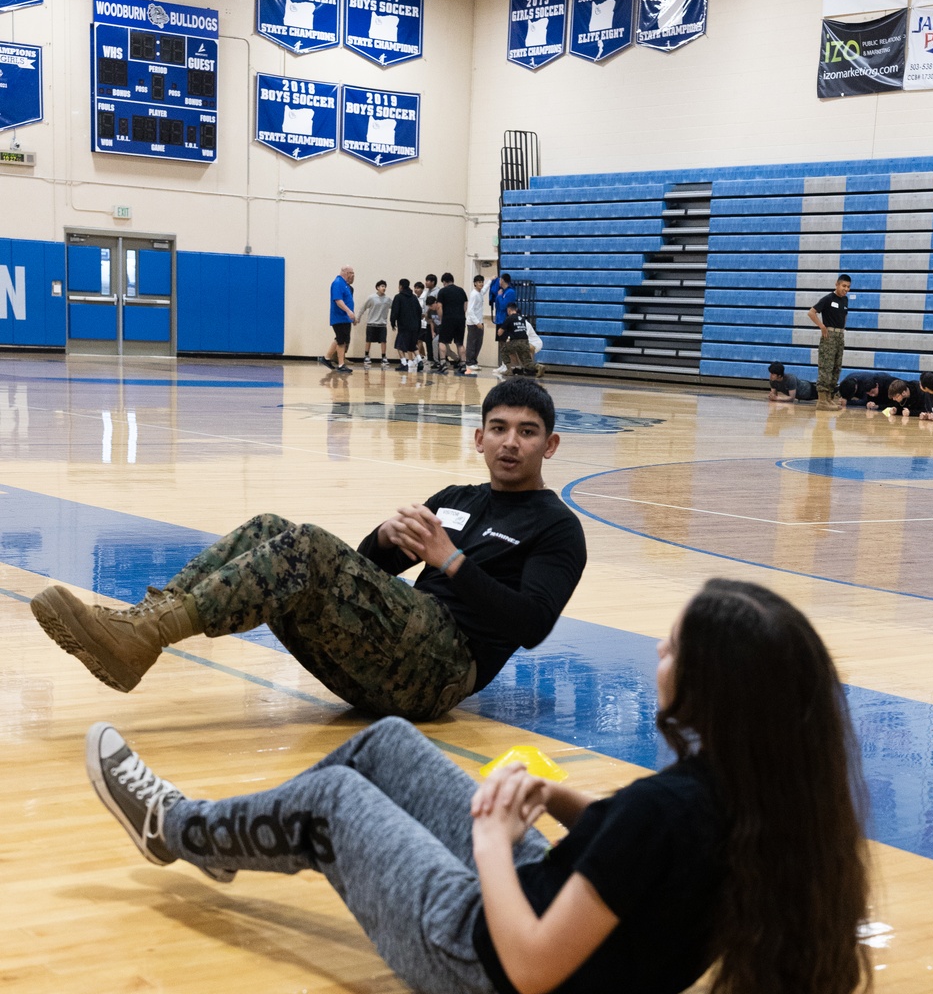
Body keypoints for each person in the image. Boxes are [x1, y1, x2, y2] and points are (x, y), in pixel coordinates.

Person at [84, 577, 872, 994]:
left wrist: (495, 840)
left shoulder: (669, 813)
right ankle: (226, 838)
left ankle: (174, 828)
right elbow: (635, 860)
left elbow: (530, 967)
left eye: (671, 647)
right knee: (387, 742)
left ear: (711, 687)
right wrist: (554, 794)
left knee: (328, 802)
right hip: (560, 943)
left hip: (487, 962)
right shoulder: (766, 801)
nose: (658, 656)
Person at [30, 380, 587, 721]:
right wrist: (384, 540)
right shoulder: (456, 498)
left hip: (441, 670)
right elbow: (367, 573)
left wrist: (451, 562)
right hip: (392, 652)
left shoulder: (557, 528)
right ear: (479, 437)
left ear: (550, 444)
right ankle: (142, 629)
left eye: (527, 431)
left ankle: (142, 638)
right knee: (271, 526)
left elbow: (532, 625)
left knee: (310, 544)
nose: (511, 442)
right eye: (499, 428)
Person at [807, 273, 851, 408]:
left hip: (839, 336)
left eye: (848, 287)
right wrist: (822, 326)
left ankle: (829, 398)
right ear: (837, 284)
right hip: (829, 336)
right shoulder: (828, 298)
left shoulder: (845, 300)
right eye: (844, 286)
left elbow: (844, 316)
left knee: (836, 367)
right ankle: (822, 400)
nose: (846, 289)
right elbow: (811, 312)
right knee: (826, 366)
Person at [324, 265, 357, 375]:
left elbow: (348, 301)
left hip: (345, 318)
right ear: (346, 273)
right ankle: (341, 364)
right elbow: (338, 300)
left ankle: (326, 358)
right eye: (351, 273)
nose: (353, 275)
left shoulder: (345, 285)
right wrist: (348, 312)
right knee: (341, 340)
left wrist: (352, 316)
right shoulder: (338, 283)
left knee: (340, 338)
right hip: (339, 317)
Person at [436, 272, 468, 372]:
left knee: (442, 341)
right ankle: (463, 364)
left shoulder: (442, 291)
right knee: (459, 343)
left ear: (444, 282)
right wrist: (461, 315)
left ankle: (442, 363)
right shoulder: (461, 290)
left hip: (447, 319)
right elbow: (465, 305)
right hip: (460, 319)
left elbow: (439, 306)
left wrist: (441, 318)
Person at [390, 277, 422, 371]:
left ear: (400, 286)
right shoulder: (414, 297)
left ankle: (404, 363)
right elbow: (419, 311)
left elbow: (394, 312)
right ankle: (420, 360)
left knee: (399, 344)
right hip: (415, 326)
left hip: (404, 326)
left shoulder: (398, 297)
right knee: (412, 344)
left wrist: (392, 322)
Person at [497, 301, 537, 377]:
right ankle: (538, 366)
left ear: (509, 310)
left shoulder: (509, 318)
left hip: (516, 342)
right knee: (526, 362)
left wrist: (499, 331)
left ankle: (509, 370)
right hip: (525, 342)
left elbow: (500, 332)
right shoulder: (522, 319)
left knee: (503, 350)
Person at [359, 280, 390, 366]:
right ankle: (366, 356)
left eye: (384, 286)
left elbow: (395, 308)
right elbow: (363, 308)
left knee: (383, 341)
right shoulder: (371, 298)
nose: (384, 288)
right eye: (382, 286)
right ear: (377, 288)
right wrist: (358, 318)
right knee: (368, 340)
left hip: (382, 324)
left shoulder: (388, 299)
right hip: (371, 323)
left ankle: (383, 357)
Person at [465, 274, 486, 375]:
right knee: (472, 343)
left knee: (479, 343)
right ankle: (469, 362)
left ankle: (474, 361)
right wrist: (477, 322)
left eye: (482, 282)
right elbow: (470, 310)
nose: (481, 284)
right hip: (473, 323)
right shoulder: (474, 294)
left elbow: (485, 289)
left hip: (479, 322)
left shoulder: (480, 292)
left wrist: (491, 281)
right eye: (479, 282)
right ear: (475, 283)